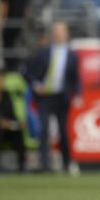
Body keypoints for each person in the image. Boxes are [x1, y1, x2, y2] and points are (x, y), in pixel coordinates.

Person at [25, 21, 82, 173]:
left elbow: (75, 78)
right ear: (52, 34)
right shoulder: (43, 52)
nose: (58, 34)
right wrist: (36, 85)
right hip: (45, 97)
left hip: (61, 97)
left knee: (63, 131)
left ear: (66, 34)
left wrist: (77, 94)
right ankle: (44, 164)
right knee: (44, 130)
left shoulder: (72, 55)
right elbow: (29, 73)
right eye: (56, 31)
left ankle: (67, 163)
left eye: (61, 31)